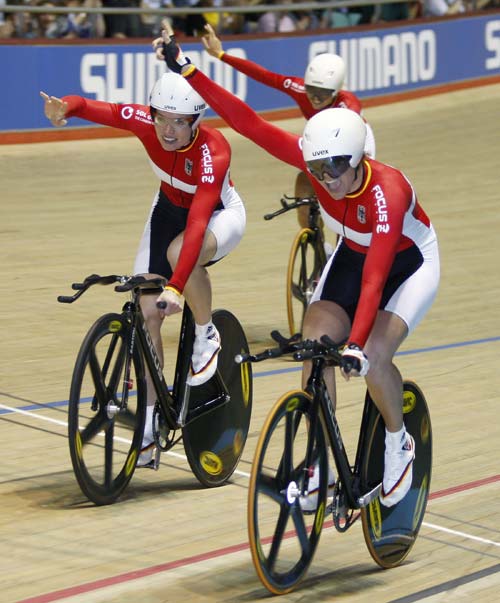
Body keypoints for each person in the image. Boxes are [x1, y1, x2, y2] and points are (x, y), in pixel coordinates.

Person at [159, 31, 440, 508]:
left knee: (373, 354)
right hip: (354, 251)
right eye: (318, 170)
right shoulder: (317, 168)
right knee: (313, 347)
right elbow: (244, 122)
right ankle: (319, 463)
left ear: (358, 161)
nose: (325, 181)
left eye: (334, 171)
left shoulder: (386, 192)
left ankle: (399, 442)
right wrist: (188, 69)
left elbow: (375, 277)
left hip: (407, 265)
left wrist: (355, 346)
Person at [40, 71, 246, 466]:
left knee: (178, 254)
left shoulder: (213, 151)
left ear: (196, 121)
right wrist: (67, 107)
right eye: (161, 118)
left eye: (179, 122)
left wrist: (177, 286)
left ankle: (206, 335)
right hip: (168, 209)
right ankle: (150, 421)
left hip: (217, 217)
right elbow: (103, 109)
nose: (167, 130)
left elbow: (199, 221)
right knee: (148, 313)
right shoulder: (147, 124)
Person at [199, 23, 375, 231]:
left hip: (354, 141)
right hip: (323, 140)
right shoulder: (300, 89)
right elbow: (264, 76)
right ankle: (318, 241)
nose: (315, 98)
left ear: (336, 91)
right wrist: (221, 55)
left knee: (348, 200)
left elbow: (349, 145)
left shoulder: (349, 105)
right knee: (305, 183)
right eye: (312, 90)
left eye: (323, 93)